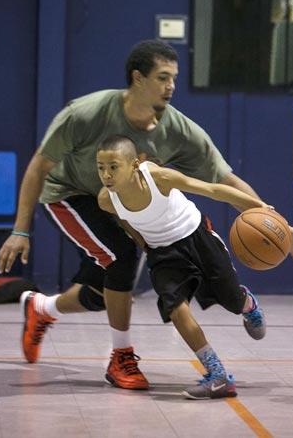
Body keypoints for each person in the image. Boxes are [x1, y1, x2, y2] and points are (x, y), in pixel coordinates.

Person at [0, 39, 293, 391]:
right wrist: (20, 230)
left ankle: (43, 308)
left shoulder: (178, 129)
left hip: (142, 211)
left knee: (103, 289)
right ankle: (120, 357)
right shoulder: (86, 113)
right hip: (70, 193)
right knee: (121, 259)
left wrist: (280, 227)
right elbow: (39, 166)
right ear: (138, 78)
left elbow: (224, 181)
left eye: (174, 78)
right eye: (163, 78)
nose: (171, 87)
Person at [95, 134, 269, 398]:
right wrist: (144, 244)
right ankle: (218, 375)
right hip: (163, 254)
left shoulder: (158, 178)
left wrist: (263, 209)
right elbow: (126, 220)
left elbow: (213, 190)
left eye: (113, 167)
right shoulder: (106, 199)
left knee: (232, 301)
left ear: (133, 166)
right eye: (101, 168)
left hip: (196, 236)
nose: (106, 174)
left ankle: (247, 304)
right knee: (176, 310)